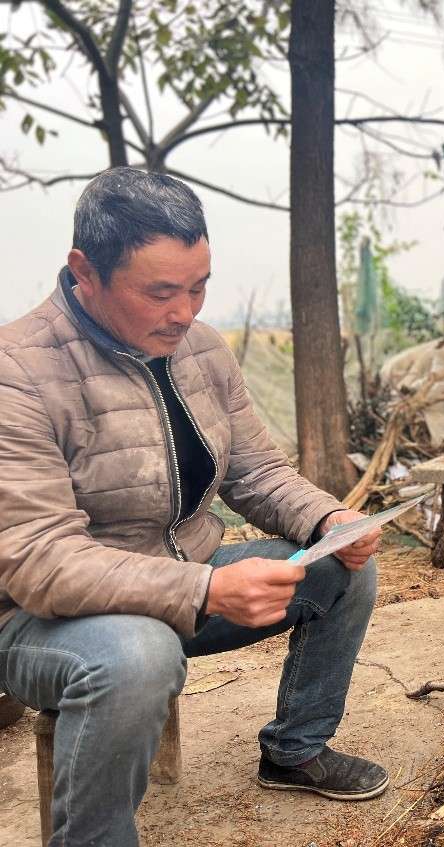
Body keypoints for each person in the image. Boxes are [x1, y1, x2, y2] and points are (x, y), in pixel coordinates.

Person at [0, 168, 388, 847]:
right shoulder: (19, 370)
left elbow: (259, 472)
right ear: (84, 272)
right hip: (38, 620)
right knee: (137, 651)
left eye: (199, 287)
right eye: (161, 292)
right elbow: (40, 560)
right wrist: (205, 586)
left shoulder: (201, 350)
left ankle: (295, 748)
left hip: (183, 577)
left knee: (339, 570)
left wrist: (327, 519)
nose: (185, 311)